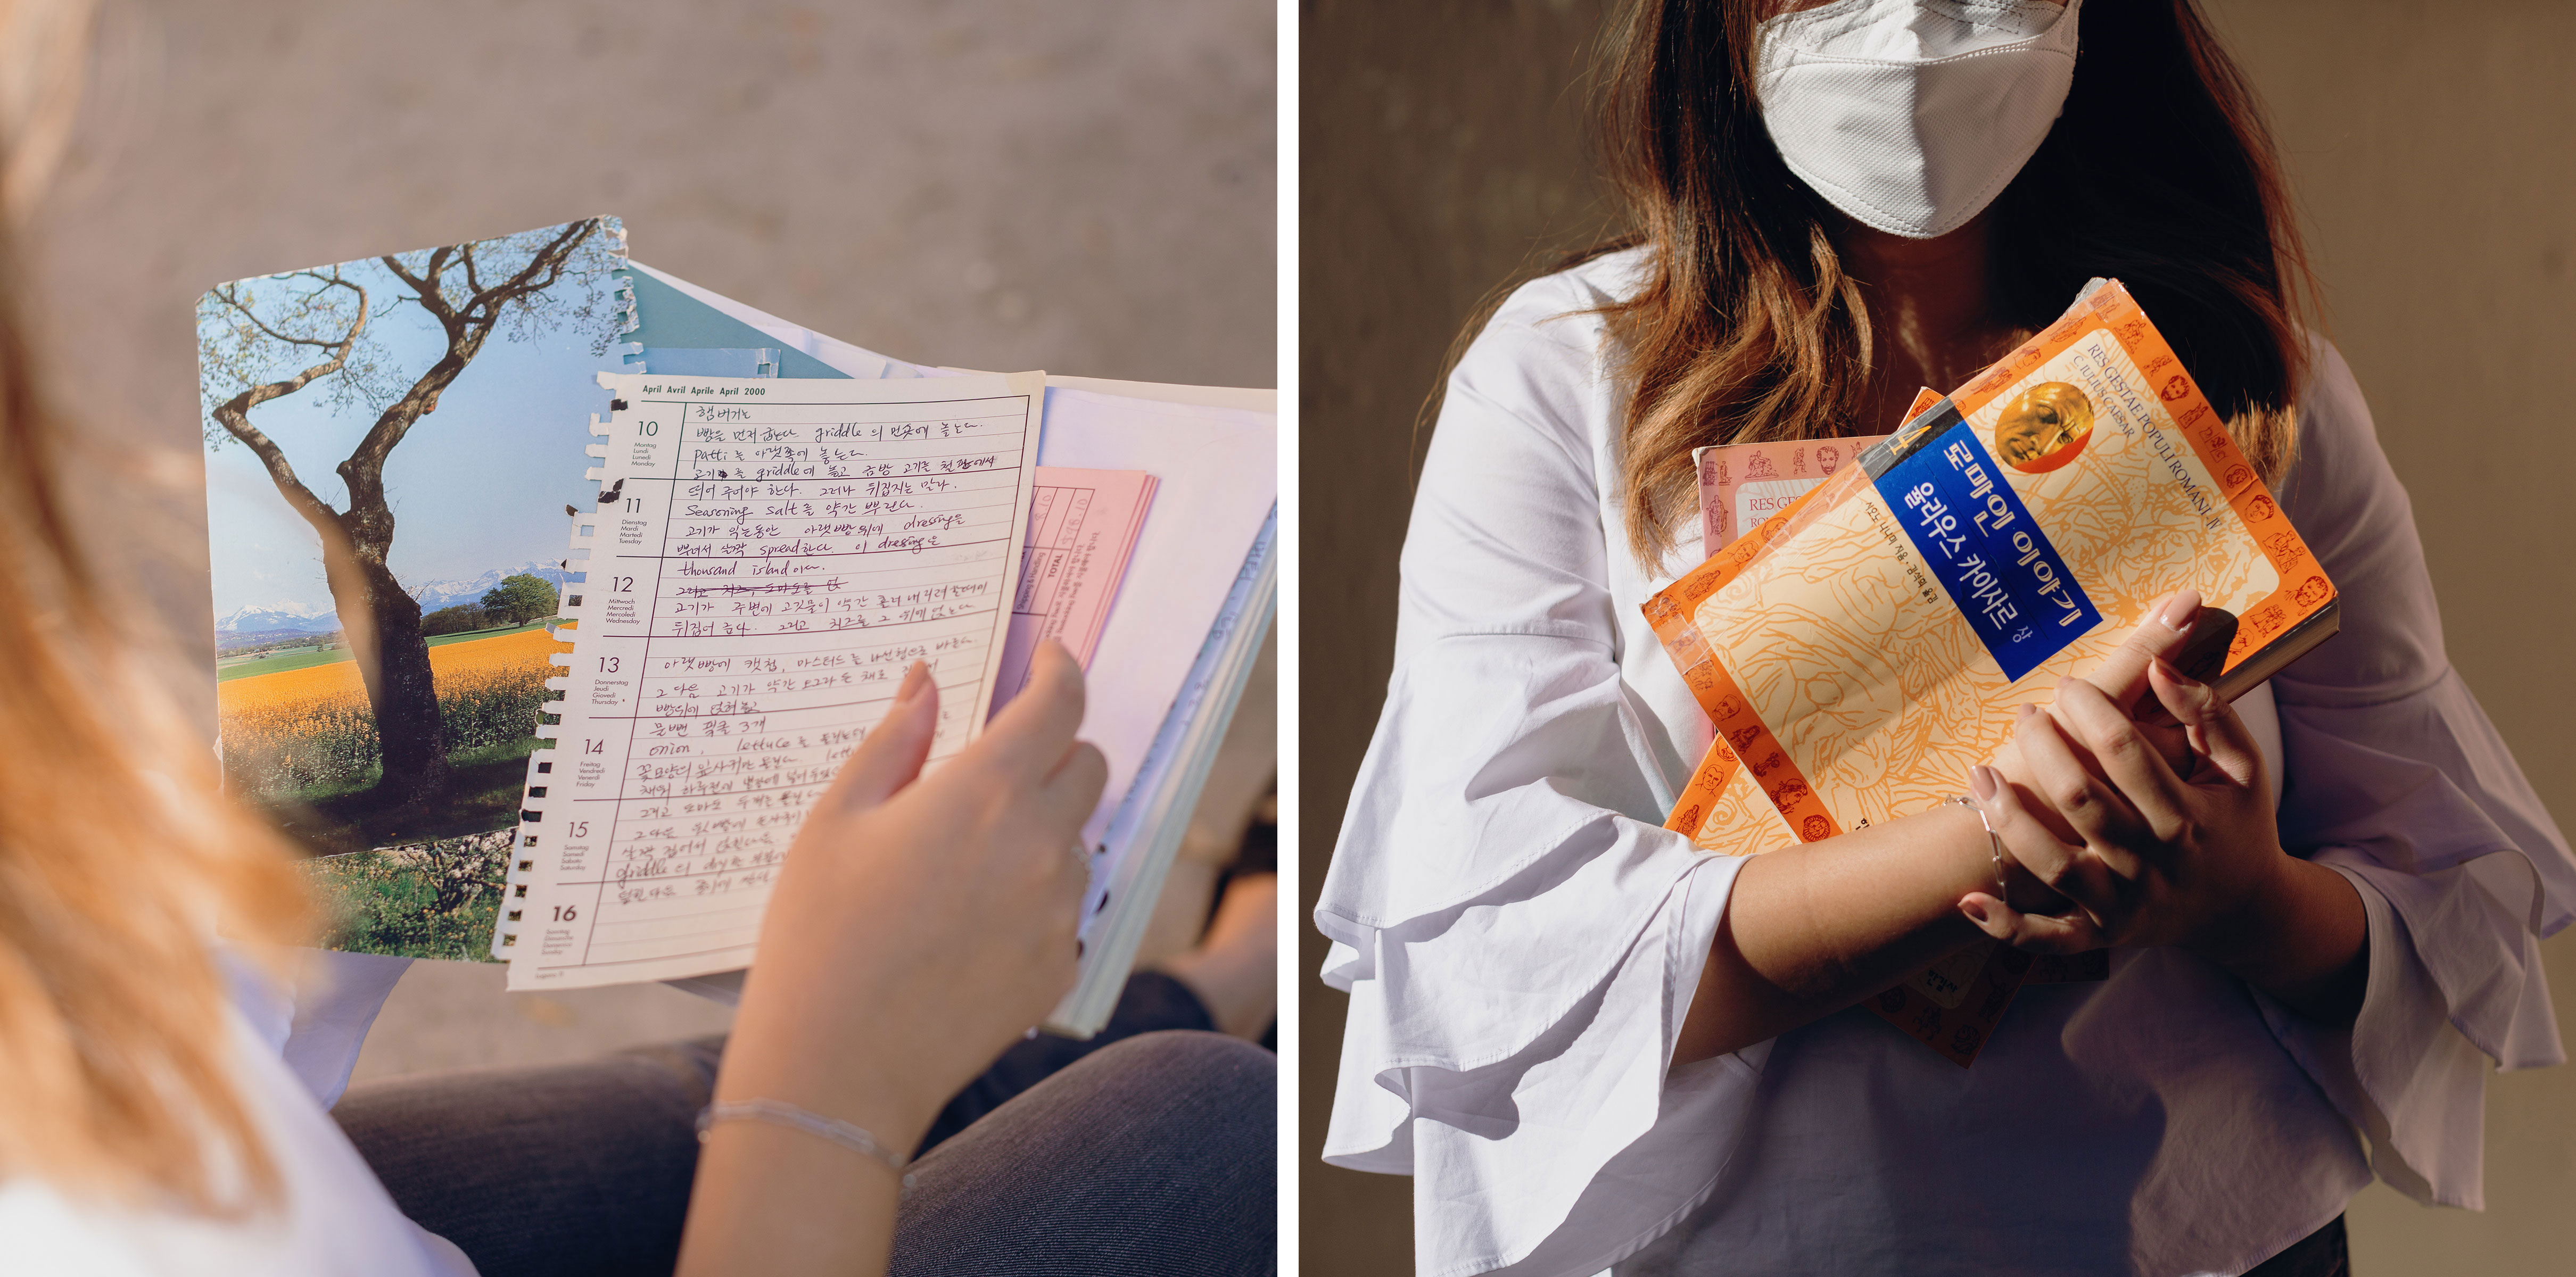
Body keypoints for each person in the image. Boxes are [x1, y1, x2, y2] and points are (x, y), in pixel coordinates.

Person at [0, 6, 1274, 1274]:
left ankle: (1220, 981)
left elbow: (150, 1018)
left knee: (741, 1076)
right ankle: (1213, 1007)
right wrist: (815, 1093)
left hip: (229, 1146)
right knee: (1208, 1127)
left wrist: (346, 842)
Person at [1315, 2, 2574, 1275]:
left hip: (2206, 1243)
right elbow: (1499, 943)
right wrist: (2004, 833)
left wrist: (2238, 895)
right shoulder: (1567, 376)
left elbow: (2439, 915)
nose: (1914, 20)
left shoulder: (2248, 389)